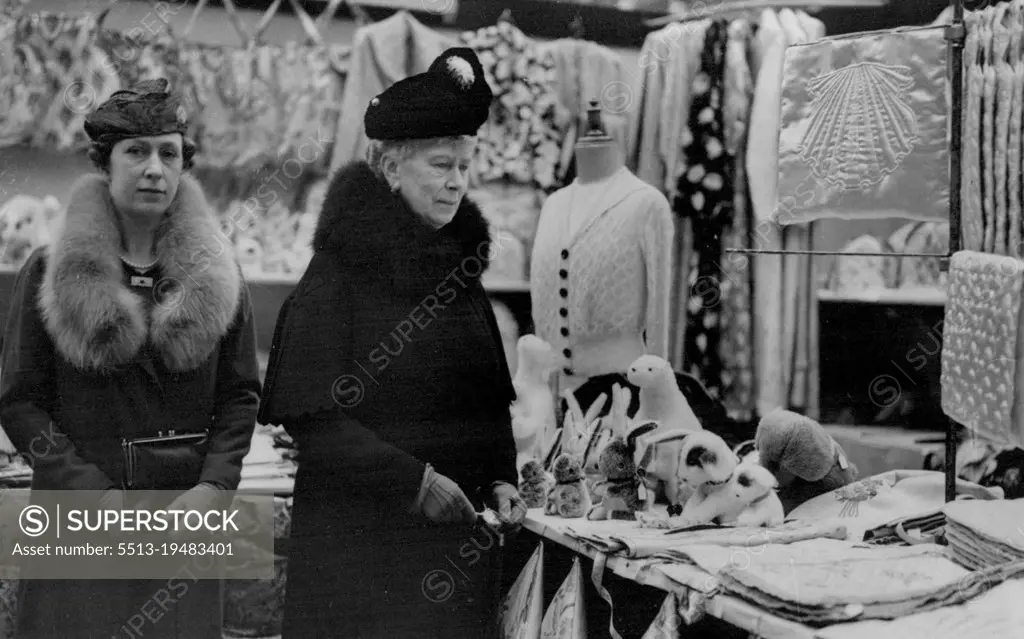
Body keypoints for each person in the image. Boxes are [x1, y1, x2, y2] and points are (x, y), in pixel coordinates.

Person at [259, 47, 526, 638]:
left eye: (464, 164)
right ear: (389, 166)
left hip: (452, 551)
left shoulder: (459, 266)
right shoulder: (338, 271)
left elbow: (486, 399)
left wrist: (502, 474)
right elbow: (312, 417)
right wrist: (414, 483)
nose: (458, 182)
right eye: (440, 164)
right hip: (358, 548)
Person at [0, 79, 260, 638]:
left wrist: (213, 488)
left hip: (180, 524)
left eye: (169, 153)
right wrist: (94, 496)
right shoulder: (50, 273)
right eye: (136, 151)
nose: (154, 169)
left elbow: (240, 396)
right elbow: (20, 403)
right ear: (105, 163)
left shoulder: (220, 277)